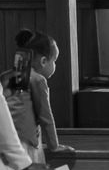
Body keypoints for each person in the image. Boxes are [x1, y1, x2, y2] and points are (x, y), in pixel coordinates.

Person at [5, 29, 73, 162]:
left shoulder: (7, 76)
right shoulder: (37, 80)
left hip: (6, 140)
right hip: (25, 144)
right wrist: (54, 146)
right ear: (43, 61)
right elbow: (45, 117)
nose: (54, 66)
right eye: (54, 61)